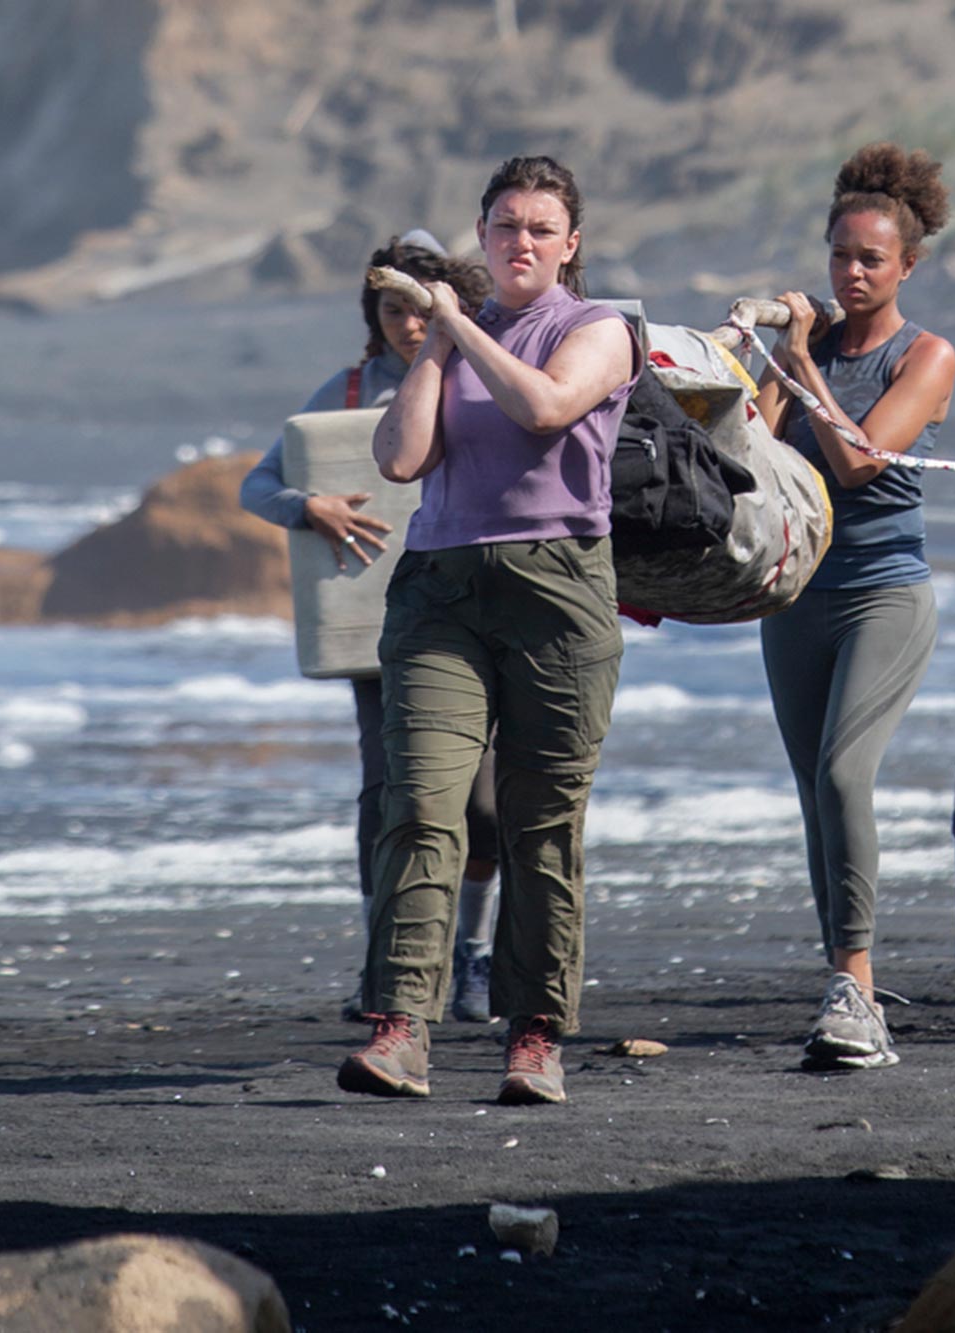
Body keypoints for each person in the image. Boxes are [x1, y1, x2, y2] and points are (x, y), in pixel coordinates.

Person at [337, 156, 639, 1104]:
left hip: (558, 588)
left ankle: (535, 1035)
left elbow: (546, 406)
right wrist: (433, 348)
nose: (520, 243)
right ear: (481, 234)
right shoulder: (454, 336)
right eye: (504, 225)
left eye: (541, 229)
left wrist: (460, 324)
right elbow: (398, 458)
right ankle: (401, 1025)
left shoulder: (598, 328)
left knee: (539, 823)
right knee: (420, 803)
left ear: (570, 245)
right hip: (441, 588)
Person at [237, 232, 506, 1025]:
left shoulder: (475, 371)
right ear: (374, 311)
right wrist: (308, 507)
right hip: (372, 631)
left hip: (473, 617)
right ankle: (382, 963)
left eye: (420, 309)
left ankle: (475, 953)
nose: (409, 326)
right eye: (393, 309)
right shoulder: (350, 388)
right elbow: (260, 481)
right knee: (386, 798)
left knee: (484, 808)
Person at [755, 143, 955, 1071]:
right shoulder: (809, 347)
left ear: (907, 265)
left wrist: (801, 359)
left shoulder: (928, 355)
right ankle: (845, 986)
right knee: (813, 797)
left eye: (871, 259)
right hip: (798, 593)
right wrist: (757, 356)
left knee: (843, 775)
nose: (852, 273)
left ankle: (861, 994)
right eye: (840, 256)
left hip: (885, 592)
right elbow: (752, 448)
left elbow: (861, 459)